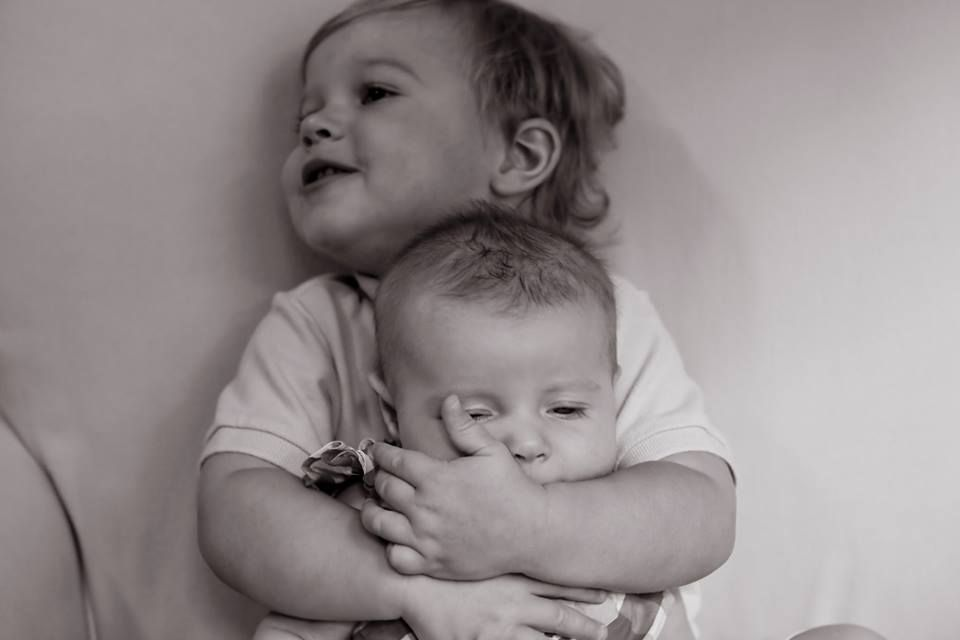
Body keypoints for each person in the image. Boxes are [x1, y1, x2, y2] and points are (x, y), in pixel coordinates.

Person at [198, 1, 739, 638]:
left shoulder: (610, 315)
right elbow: (235, 513)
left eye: (374, 93)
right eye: (303, 120)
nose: (315, 127)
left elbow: (702, 512)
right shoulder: (316, 325)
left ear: (518, 154)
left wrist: (531, 527)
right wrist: (410, 587)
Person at [257, 206, 701, 639]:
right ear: (392, 413)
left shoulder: (624, 545)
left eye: (565, 409)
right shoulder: (378, 523)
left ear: (613, 401)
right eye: (475, 416)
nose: (525, 444)